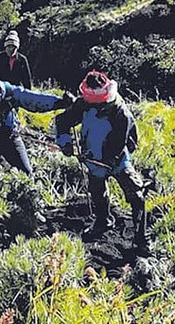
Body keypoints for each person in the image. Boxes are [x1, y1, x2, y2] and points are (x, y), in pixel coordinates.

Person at [55, 71, 150, 256]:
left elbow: (124, 141)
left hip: (118, 160)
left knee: (136, 197)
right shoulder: (84, 103)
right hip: (93, 158)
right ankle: (103, 221)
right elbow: (63, 121)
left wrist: (108, 160)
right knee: (97, 191)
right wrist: (65, 142)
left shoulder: (119, 111)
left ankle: (141, 239)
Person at [0, 78, 72, 177]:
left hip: (8, 136)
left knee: (27, 174)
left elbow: (33, 99)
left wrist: (59, 102)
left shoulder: (10, 93)